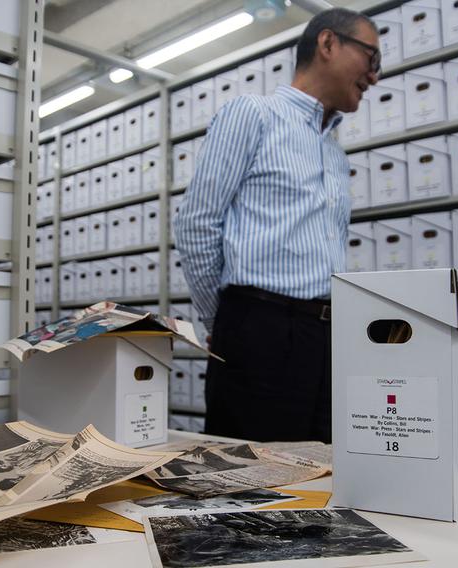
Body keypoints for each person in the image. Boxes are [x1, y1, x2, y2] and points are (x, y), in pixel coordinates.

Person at [173, 8, 380, 443]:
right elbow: (196, 223)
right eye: (371, 58)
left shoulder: (334, 154)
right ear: (328, 44)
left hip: (323, 333)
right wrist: (224, 318)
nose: (374, 77)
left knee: (319, 473)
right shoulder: (253, 114)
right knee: (249, 481)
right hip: (258, 328)